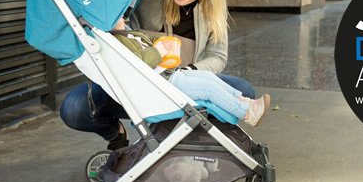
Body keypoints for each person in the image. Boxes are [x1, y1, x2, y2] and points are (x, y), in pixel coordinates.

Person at [10, 0, 257, 149]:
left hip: (183, 82)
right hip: (136, 81)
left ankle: (191, 139)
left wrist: (187, 73)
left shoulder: (212, 9)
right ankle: (115, 134)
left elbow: (217, 57)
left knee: (243, 91)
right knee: (74, 109)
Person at [113, 27, 270, 127]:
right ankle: (247, 114)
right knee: (209, 89)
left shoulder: (130, 32)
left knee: (208, 76)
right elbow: (135, 64)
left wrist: (164, 42)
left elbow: (148, 40)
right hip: (163, 86)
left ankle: (242, 100)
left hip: (171, 74)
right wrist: (158, 51)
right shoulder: (116, 42)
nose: (122, 15)